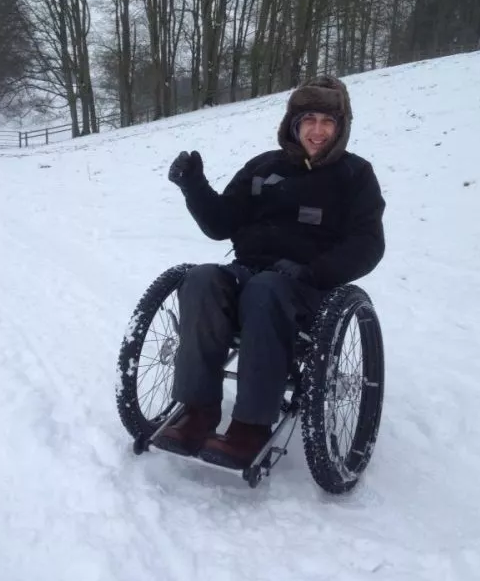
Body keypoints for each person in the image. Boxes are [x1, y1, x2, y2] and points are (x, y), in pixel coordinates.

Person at [155, 75, 386, 470]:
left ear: (341, 127)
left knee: (265, 291)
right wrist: (194, 186)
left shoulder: (354, 175)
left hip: (309, 286)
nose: (317, 130)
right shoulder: (263, 167)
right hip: (248, 272)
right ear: (293, 124)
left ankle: (250, 426)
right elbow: (221, 223)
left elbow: (368, 244)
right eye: (308, 119)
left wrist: (314, 271)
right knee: (201, 280)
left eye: (327, 121)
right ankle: (198, 410)